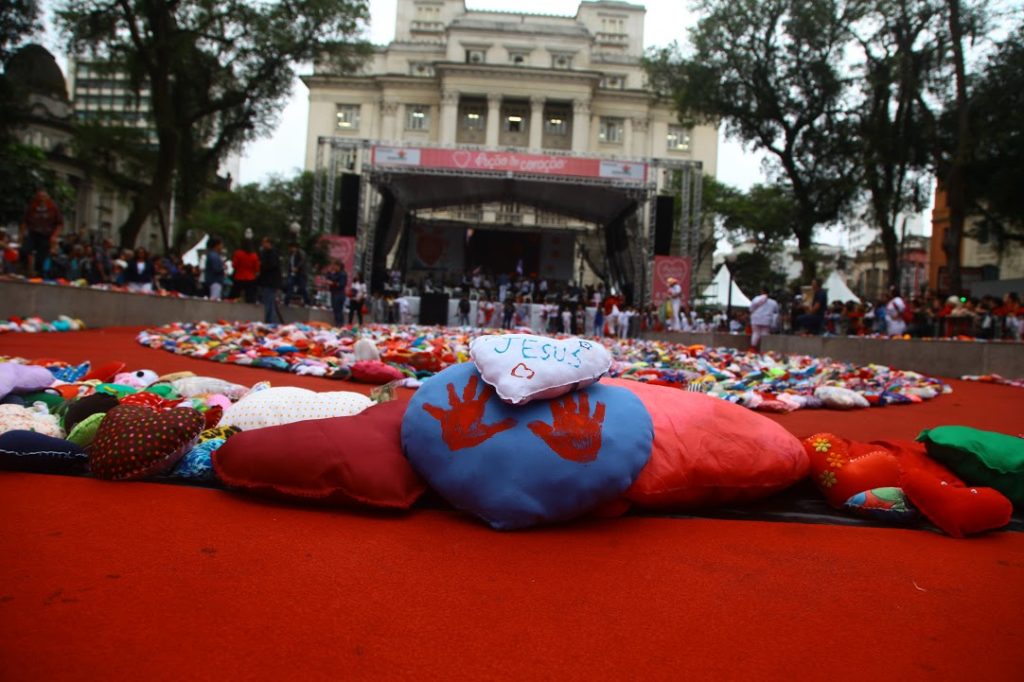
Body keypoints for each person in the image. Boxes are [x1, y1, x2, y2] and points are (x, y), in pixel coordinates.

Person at [19, 189, 64, 277]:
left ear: (47, 198)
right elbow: (24, 221)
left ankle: (38, 273)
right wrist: (21, 234)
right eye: (39, 197)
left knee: (41, 257)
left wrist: (54, 236)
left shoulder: (53, 208)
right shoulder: (32, 207)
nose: (41, 199)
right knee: (24, 250)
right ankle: (24, 268)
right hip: (33, 233)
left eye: (43, 197)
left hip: (46, 235)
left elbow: (59, 224)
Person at [257, 237, 282, 323]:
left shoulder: (272, 254)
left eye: (264, 242)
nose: (263, 244)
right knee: (270, 302)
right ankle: (270, 321)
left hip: (270, 282)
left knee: (268, 302)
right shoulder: (266, 253)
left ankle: (268, 320)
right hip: (268, 282)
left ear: (269, 243)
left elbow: (271, 266)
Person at [749, 285, 780, 351]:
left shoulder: (756, 298)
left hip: (756, 318)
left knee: (756, 333)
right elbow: (776, 311)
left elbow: (751, 308)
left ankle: (753, 347)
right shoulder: (773, 302)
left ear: (761, 291)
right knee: (765, 334)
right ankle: (764, 348)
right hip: (767, 319)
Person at [231, 238, 260, 303]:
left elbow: (234, 265)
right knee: (250, 297)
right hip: (250, 278)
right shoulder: (254, 256)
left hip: (239, 277)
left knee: (235, 295)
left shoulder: (238, 254)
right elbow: (257, 269)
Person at [285, 242, 310, 306]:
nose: (290, 249)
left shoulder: (301, 252)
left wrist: (297, 268)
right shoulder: (291, 254)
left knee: (302, 287)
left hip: (300, 273)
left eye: (291, 248)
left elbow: (302, 260)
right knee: (289, 285)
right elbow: (290, 263)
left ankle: (307, 301)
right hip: (293, 273)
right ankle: (286, 301)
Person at [324, 260, 348, 327]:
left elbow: (341, 284)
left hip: (339, 294)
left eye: (334, 266)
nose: (333, 267)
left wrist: (332, 283)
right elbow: (328, 277)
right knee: (335, 309)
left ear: (338, 266)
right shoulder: (335, 273)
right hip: (333, 293)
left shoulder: (342, 274)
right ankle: (337, 323)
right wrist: (329, 271)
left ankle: (340, 324)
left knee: (338, 310)